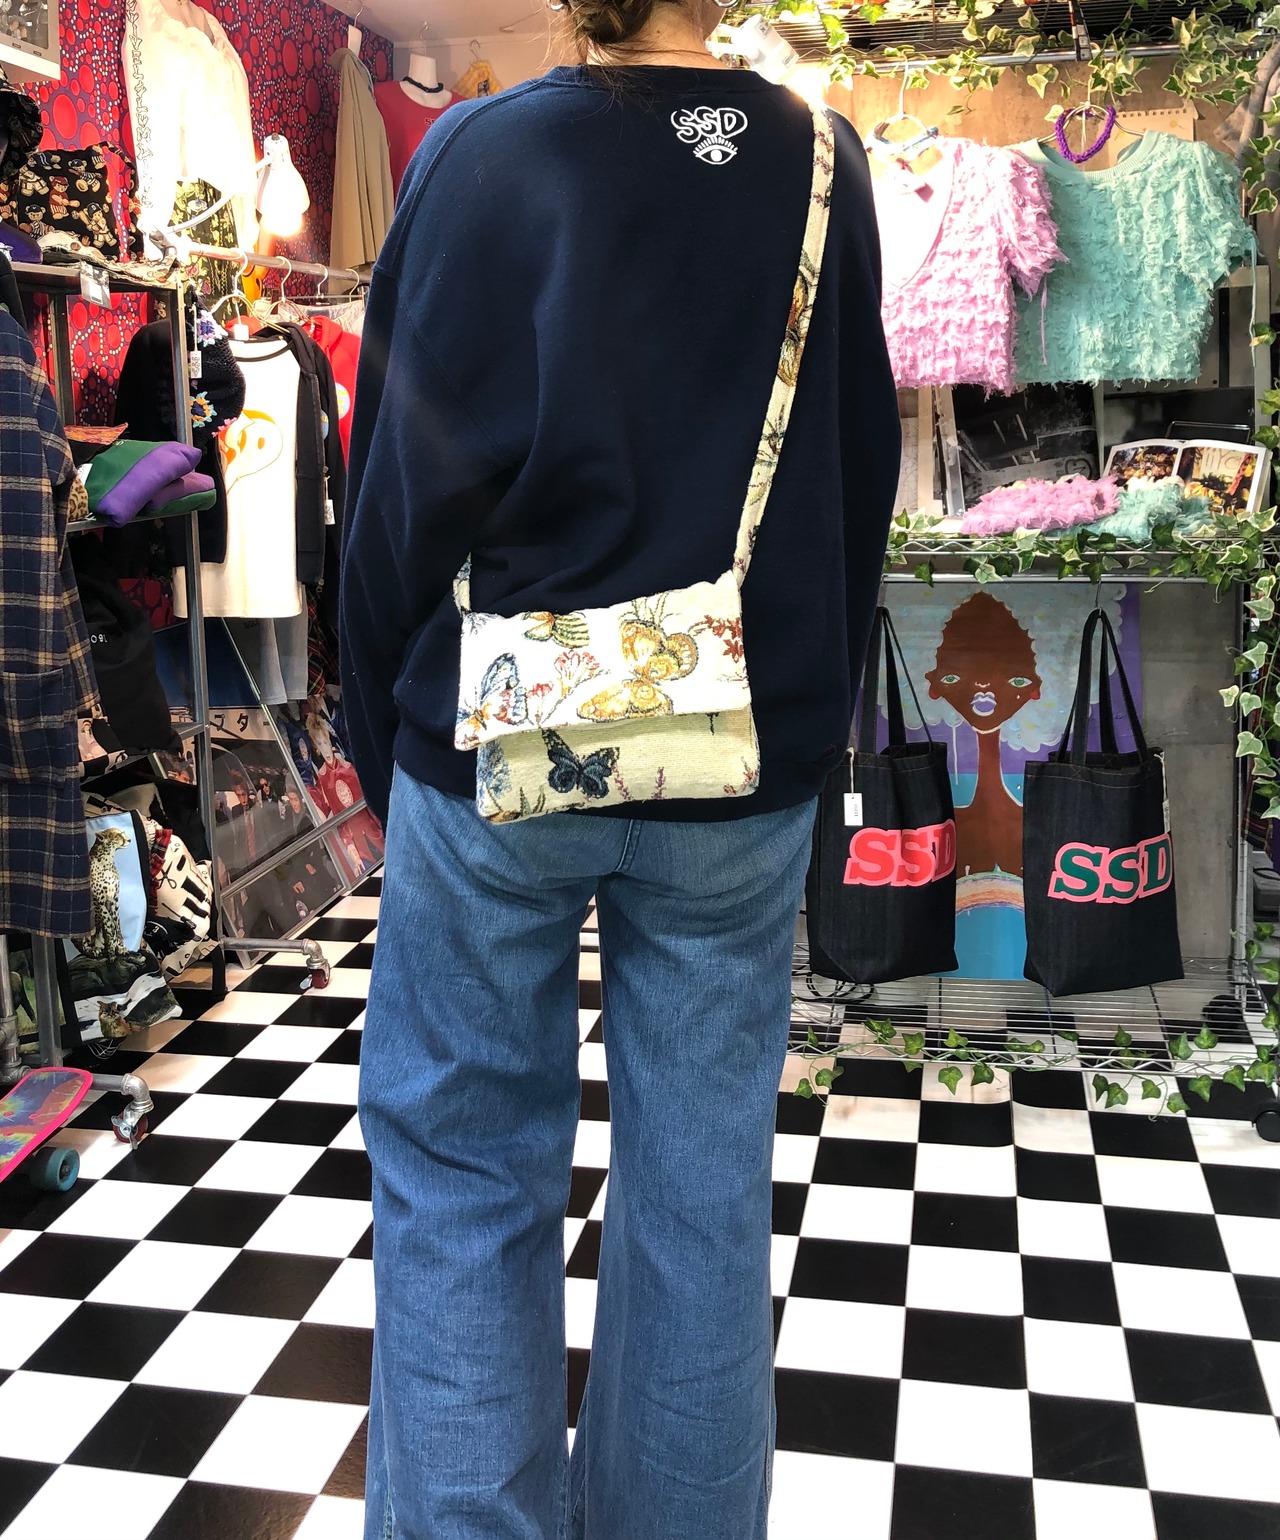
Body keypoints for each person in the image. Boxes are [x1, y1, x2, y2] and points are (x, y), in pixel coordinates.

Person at [339, 0, 899, 1532]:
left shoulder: (483, 156)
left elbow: (399, 488)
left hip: (499, 738)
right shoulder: (823, 166)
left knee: (462, 1174)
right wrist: (814, 729)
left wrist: (379, 732)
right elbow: (856, 478)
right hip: (738, 751)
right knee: (703, 1198)